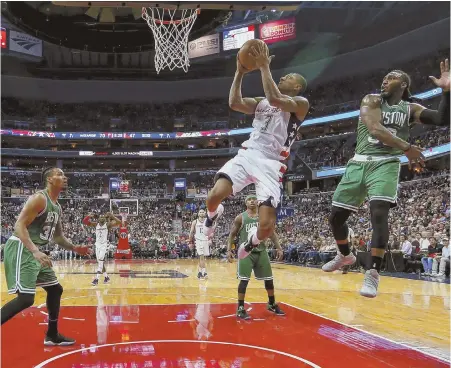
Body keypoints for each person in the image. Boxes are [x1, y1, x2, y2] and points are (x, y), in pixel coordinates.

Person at [322, 59, 450, 298]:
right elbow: (375, 129)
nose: (385, 79)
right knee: (336, 218)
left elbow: (443, 119)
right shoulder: (371, 99)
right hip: (360, 162)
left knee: (379, 214)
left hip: (386, 164)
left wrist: (447, 91)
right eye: (385, 76)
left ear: (403, 83)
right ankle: (345, 255)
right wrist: (406, 147)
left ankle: (373, 273)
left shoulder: (410, 109)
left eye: (391, 77)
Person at [203, 43, 309, 258]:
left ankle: (252, 243)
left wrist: (263, 67)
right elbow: (235, 103)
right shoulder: (261, 102)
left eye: (289, 77)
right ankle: (213, 216)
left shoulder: (300, 103)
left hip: (271, 163)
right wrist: (239, 73)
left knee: (267, 226)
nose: (283, 78)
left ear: (297, 87)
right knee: (213, 196)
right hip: (249, 154)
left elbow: (276, 100)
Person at [1, 167, 92, 345]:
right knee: (26, 298)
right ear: (50, 179)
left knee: (55, 289)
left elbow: (57, 236)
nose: (64, 177)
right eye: (59, 175)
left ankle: (52, 335)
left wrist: (75, 248)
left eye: (65, 174)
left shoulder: (57, 206)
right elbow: (19, 226)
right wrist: (35, 251)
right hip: (23, 246)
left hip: (37, 251)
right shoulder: (39, 198)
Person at [227, 195, 285, 319]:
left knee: (269, 280)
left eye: (254, 198)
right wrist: (229, 250)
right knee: (244, 280)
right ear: (245, 203)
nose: (252, 201)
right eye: (249, 199)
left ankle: (271, 303)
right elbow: (232, 234)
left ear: (258, 202)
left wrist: (279, 247)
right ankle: (241, 307)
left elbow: (272, 234)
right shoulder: (240, 218)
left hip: (261, 251)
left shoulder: (263, 217)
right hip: (246, 253)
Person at [83, 212, 121, 285]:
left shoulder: (107, 225)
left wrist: (112, 216)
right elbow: (84, 221)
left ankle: (96, 279)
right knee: (100, 262)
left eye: (104, 217)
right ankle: (106, 277)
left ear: (105, 219)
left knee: (100, 261)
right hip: (97, 245)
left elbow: (119, 222)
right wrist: (89, 215)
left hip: (104, 245)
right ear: (98, 219)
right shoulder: (95, 224)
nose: (102, 218)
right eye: (101, 217)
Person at [189, 209, 214, 279]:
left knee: (202, 258)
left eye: (203, 212)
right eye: (200, 212)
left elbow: (211, 230)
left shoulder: (207, 221)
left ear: (205, 213)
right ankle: (204, 273)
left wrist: (211, 237)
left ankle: (199, 272)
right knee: (202, 257)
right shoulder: (195, 222)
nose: (201, 213)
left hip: (206, 240)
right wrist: (190, 241)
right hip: (198, 240)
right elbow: (191, 232)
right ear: (198, 214)